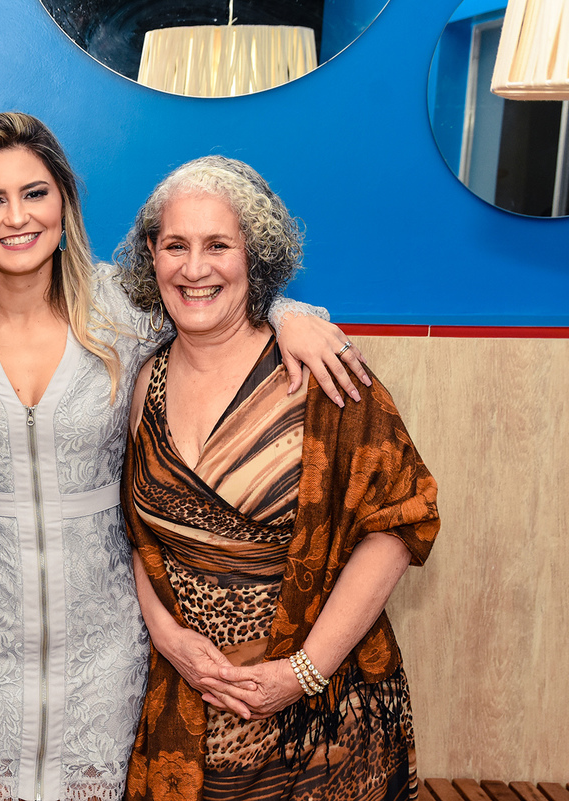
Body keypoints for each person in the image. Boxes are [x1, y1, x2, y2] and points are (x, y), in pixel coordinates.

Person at [0, 113, 371, 801]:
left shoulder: (121, 306)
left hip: (105, 647)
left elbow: (214, 294)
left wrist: (291, 316)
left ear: (65, 202)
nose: (16, 217)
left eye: (35, 193)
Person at [116, 156, 440, 801]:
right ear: (151, 255)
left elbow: (399, 524)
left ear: (255, 255)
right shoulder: (143, 379)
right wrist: (169, 639)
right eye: (175, 245)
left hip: (320, 717)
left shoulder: (322, 372)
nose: (194, 268)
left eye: (218, 245)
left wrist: (303, 672)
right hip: (189, 706)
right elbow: (138, 540)